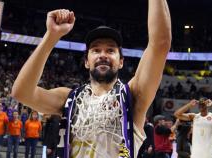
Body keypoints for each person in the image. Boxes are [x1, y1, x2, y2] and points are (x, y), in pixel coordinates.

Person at [11, 0, 172, 157]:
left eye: (110, 50)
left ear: (121, 62)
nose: (103, 55)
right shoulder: (68, 98)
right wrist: (51, 36)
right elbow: (21, 93)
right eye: (96, 50)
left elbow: (161, 43)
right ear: (87, 62)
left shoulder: (133, 95)